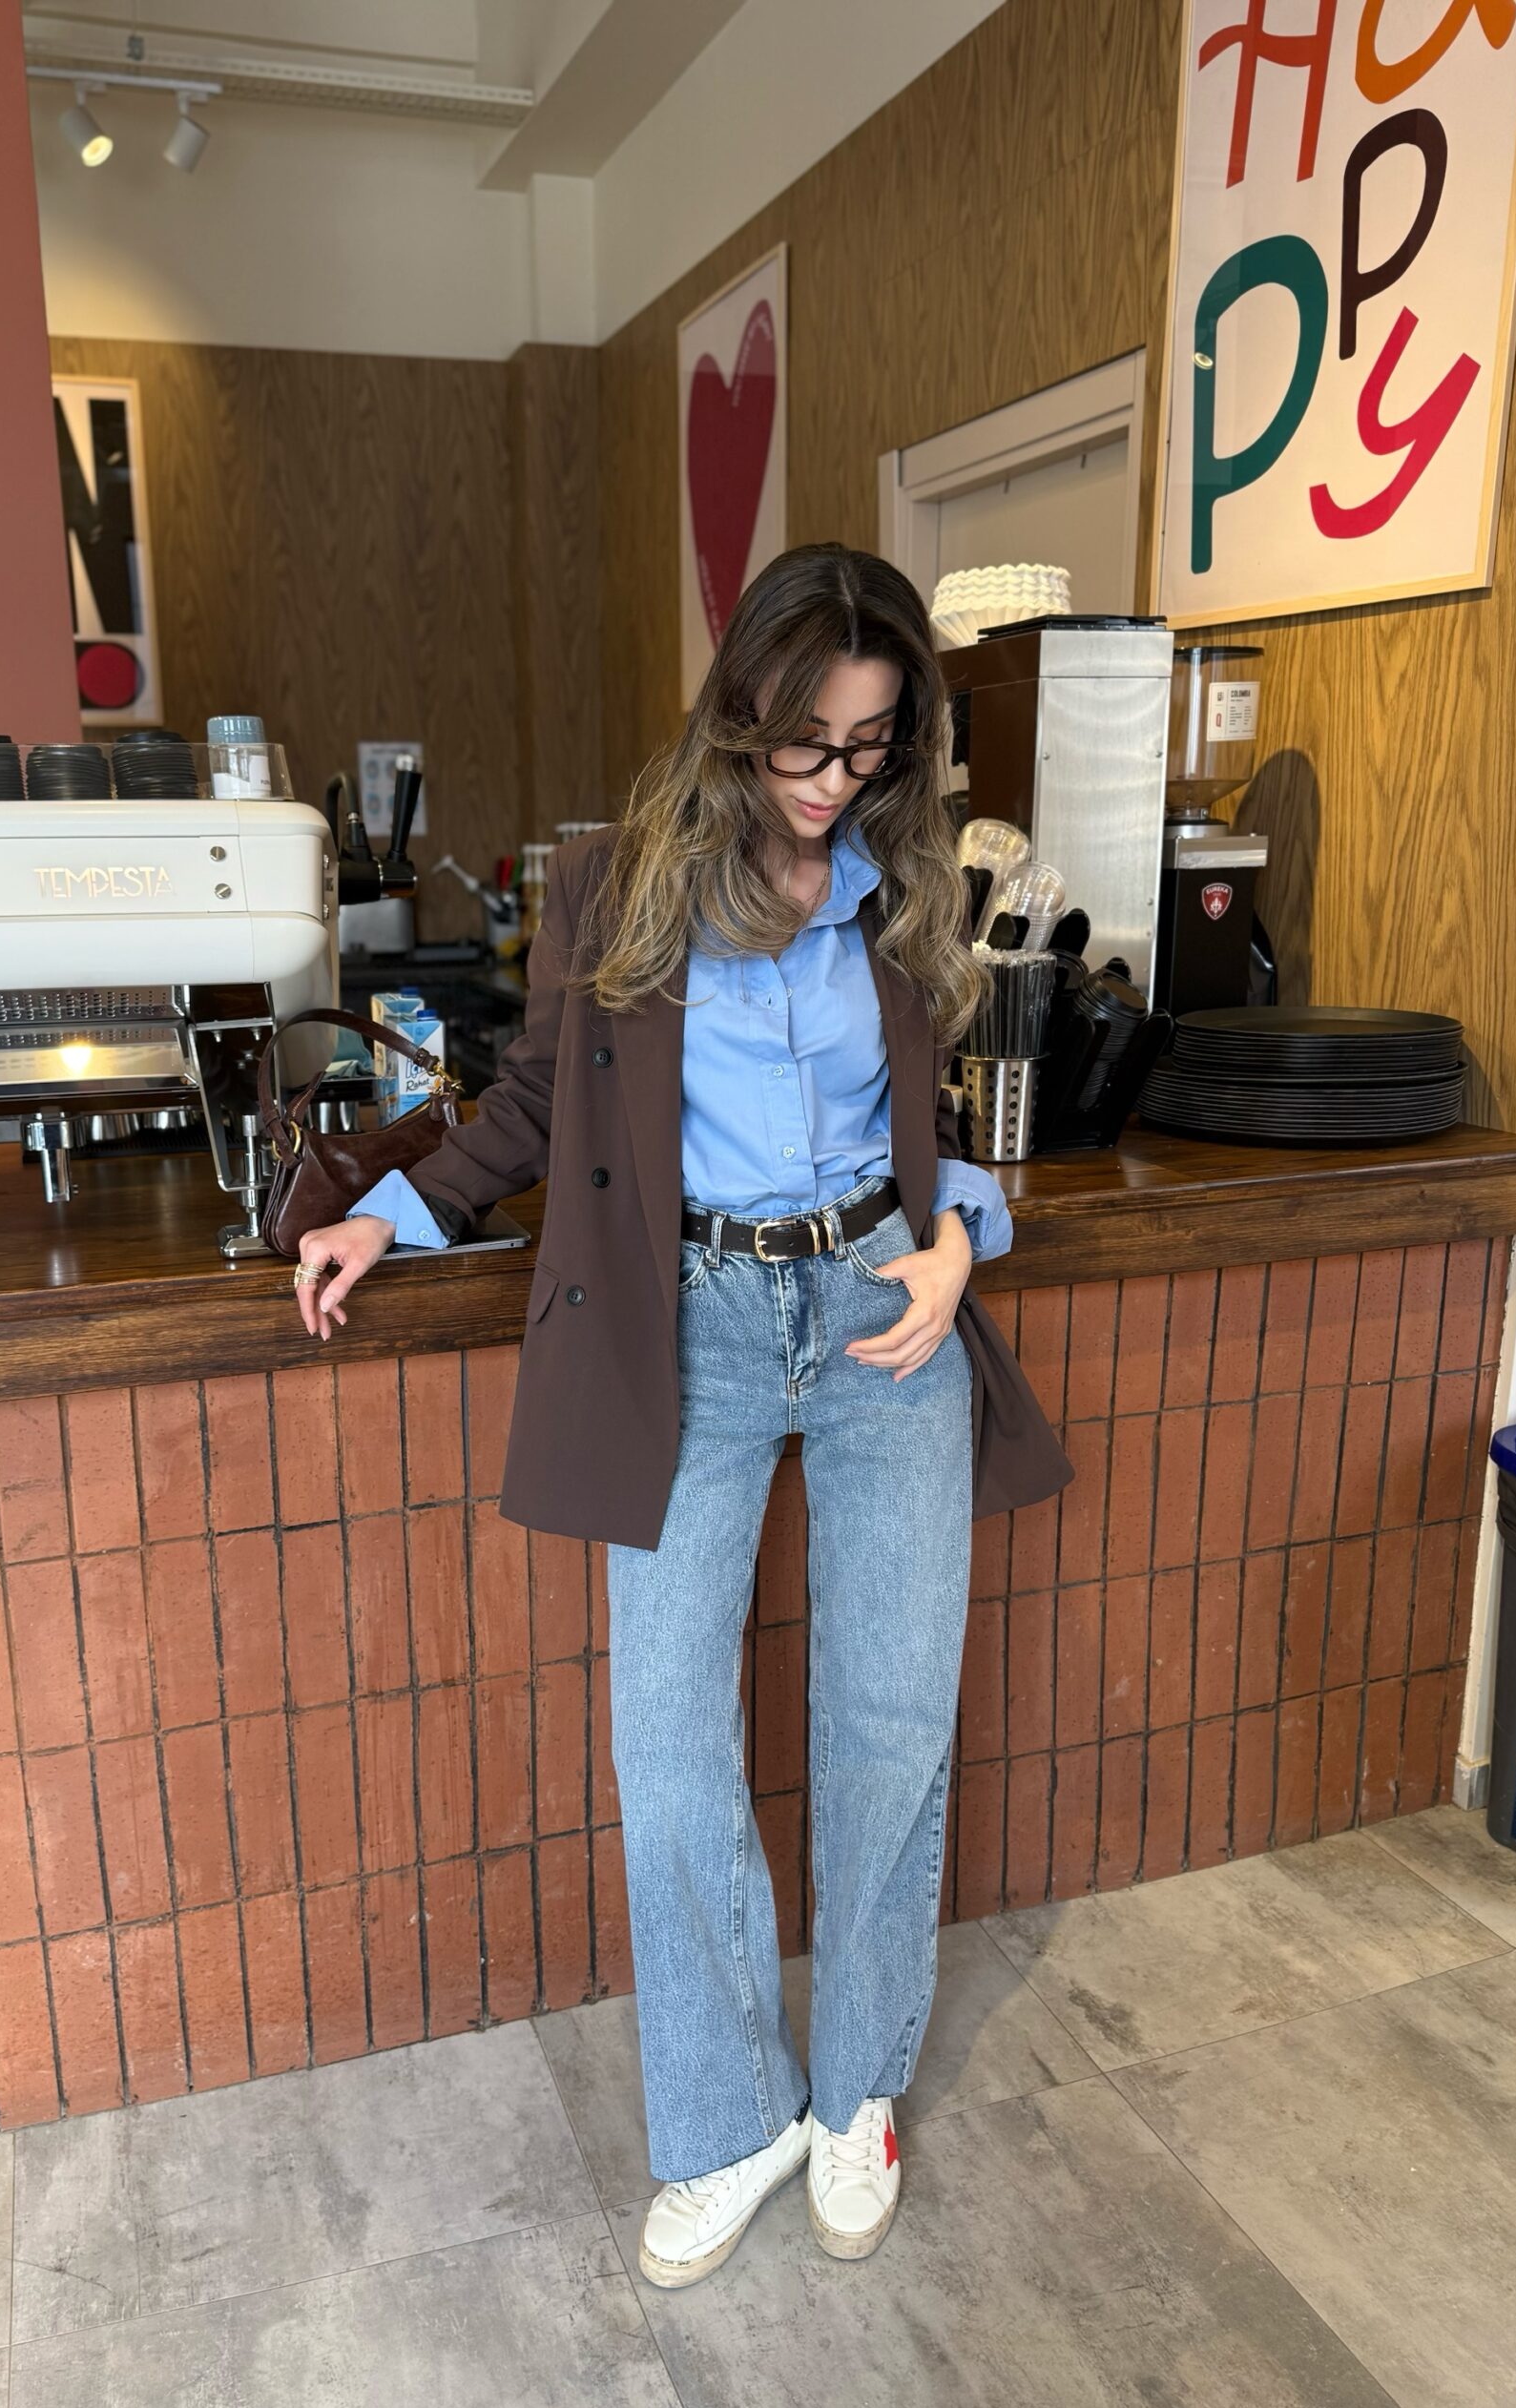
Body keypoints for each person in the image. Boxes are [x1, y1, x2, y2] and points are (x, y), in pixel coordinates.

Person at [289, 542, 1070, 2289]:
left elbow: (940, 1123)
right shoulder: (619, 883)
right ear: (740, 712)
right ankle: (729, 2117)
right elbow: (536, 1104)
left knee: (891, 1723)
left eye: (872, 745)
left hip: (882, 1307)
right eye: (808, 742)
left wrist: (962, 1243)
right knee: (666, 1741)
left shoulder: (904, 876)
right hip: (693, 1323)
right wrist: (391, 1211)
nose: (836, 781)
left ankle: (856, 2093)